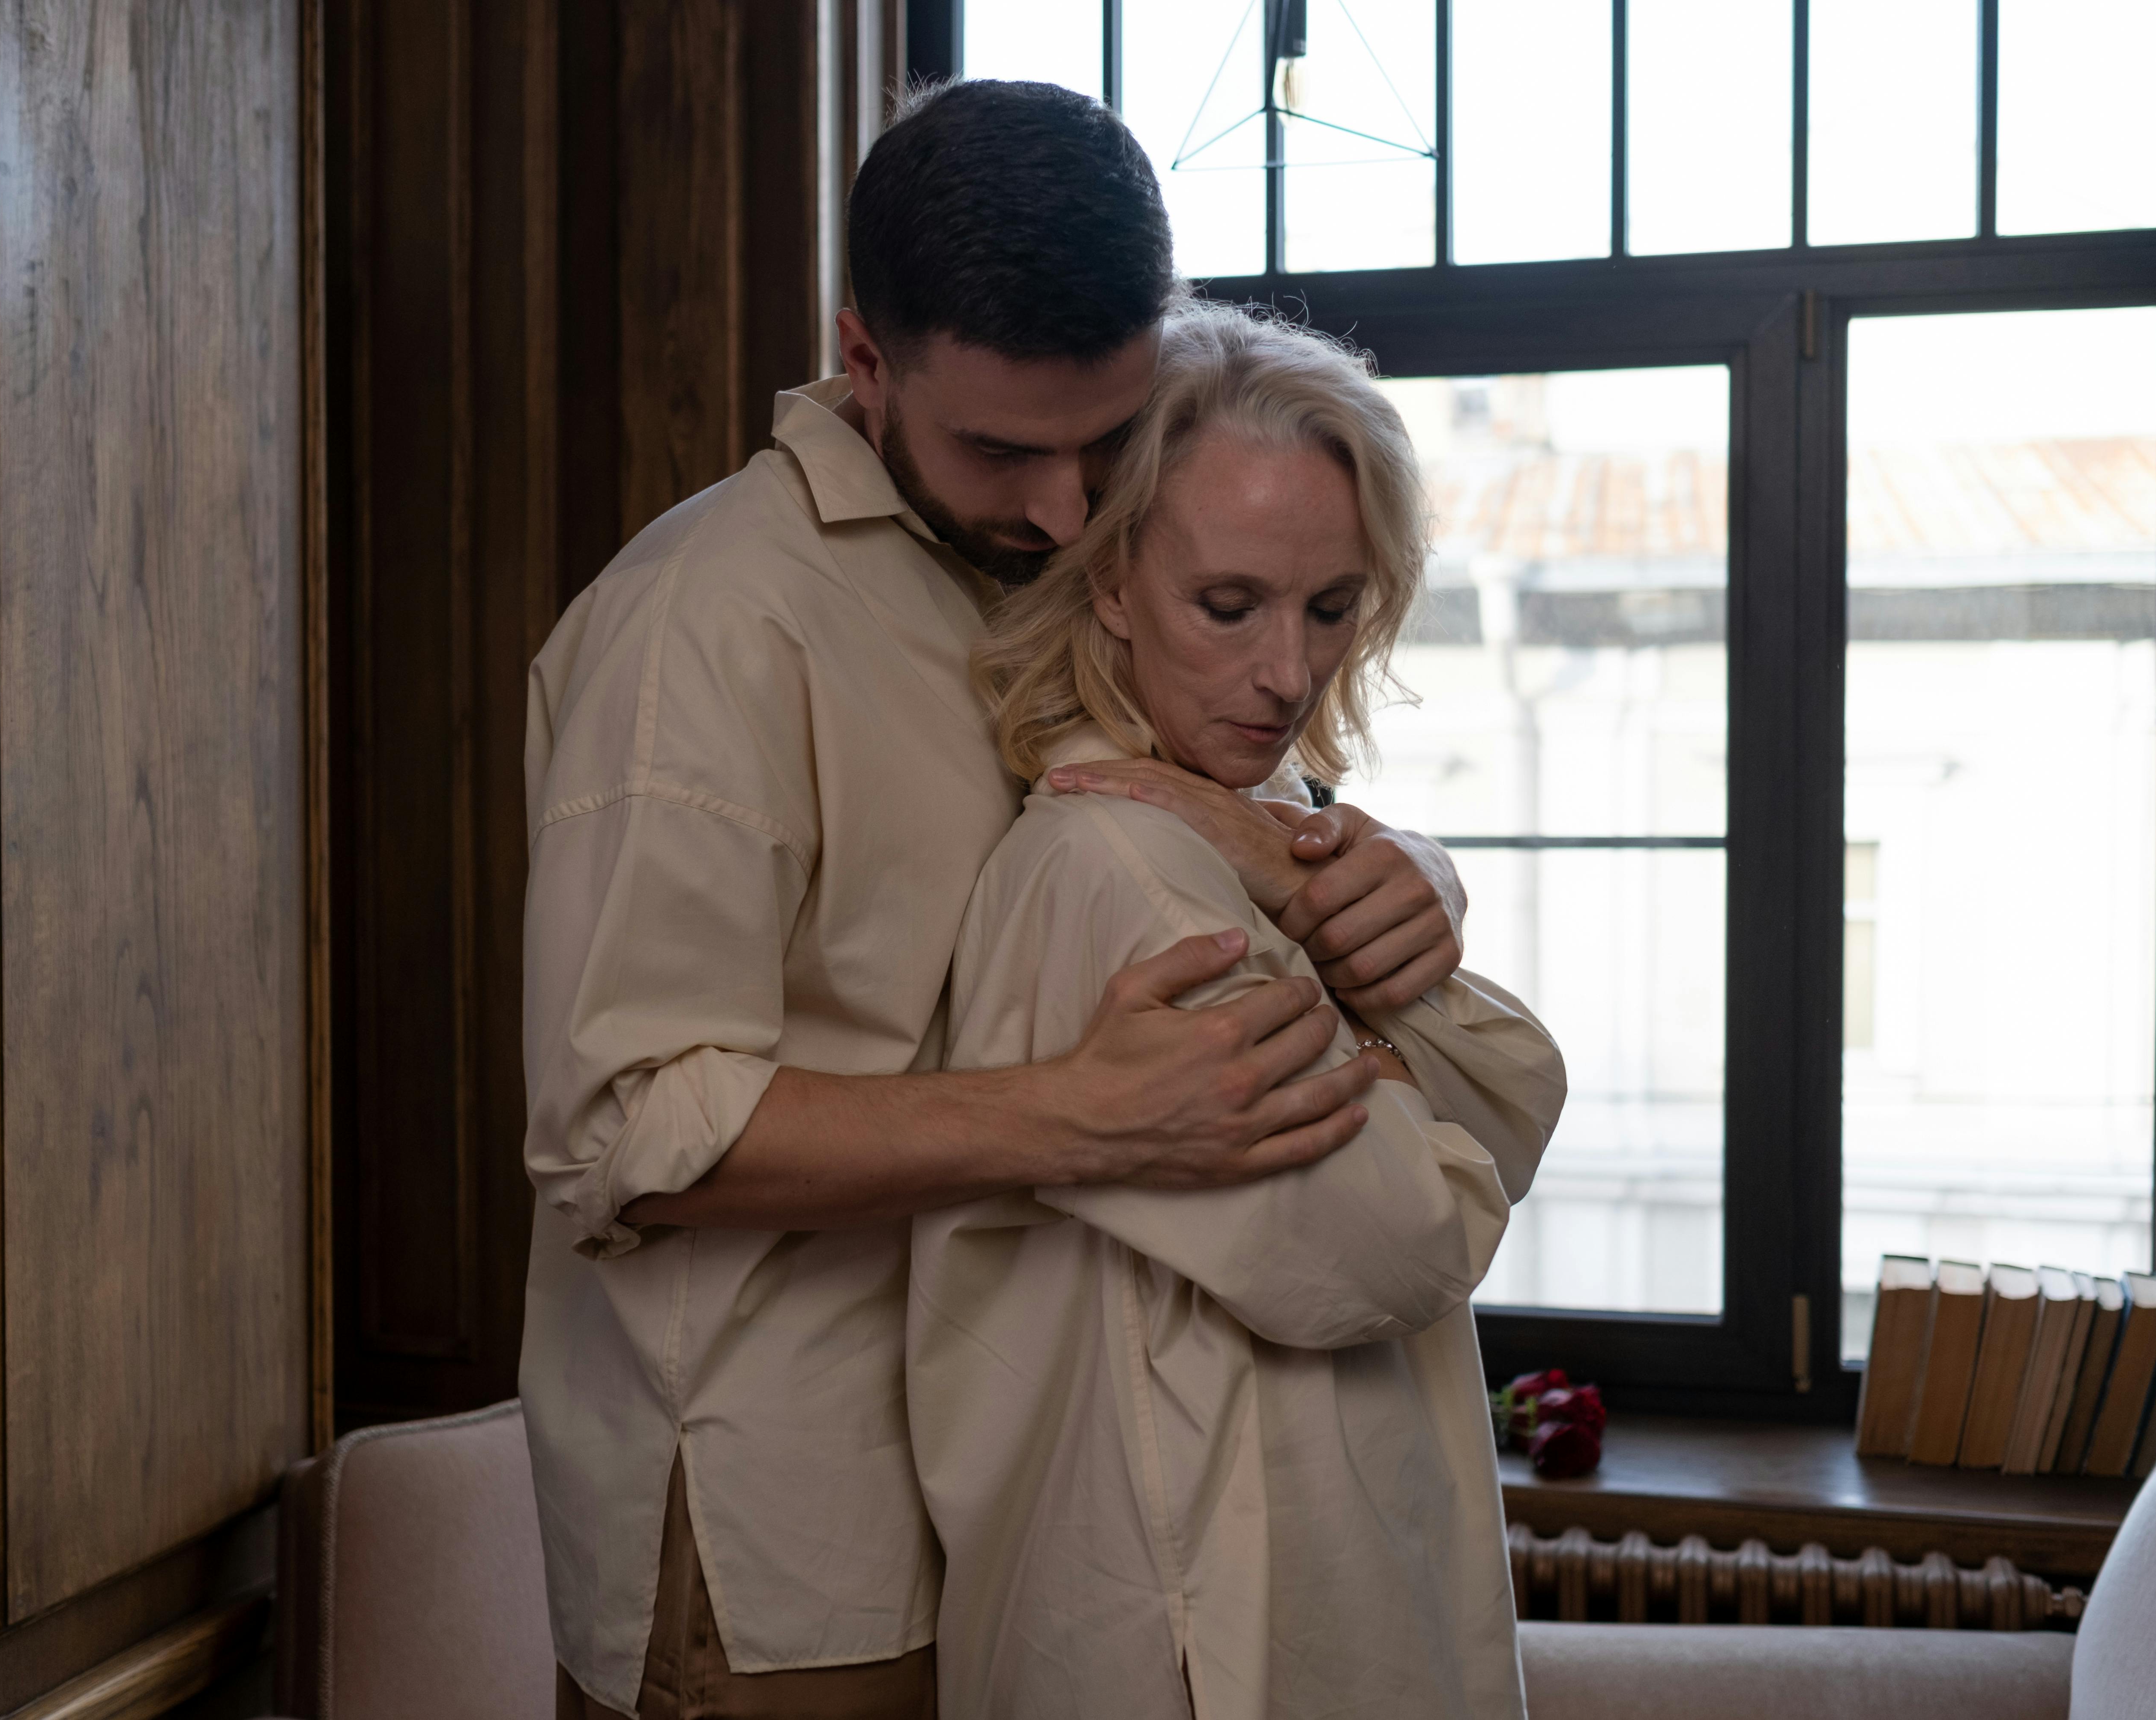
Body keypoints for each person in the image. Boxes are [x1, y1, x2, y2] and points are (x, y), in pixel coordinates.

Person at [524, 82, 1501, 1720]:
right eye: (1000, 448)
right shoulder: (706, 627)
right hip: (795, 1541)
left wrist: (1397, 869)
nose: (1064, 510)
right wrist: (1074, 1120)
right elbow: (620, 1129)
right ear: (866, 360)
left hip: (1026, 1503)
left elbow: (1205, 786)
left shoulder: (1079, 555)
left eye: (1105, 443)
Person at [910, 304, 1566, 1720]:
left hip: (1300, 1590)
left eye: (1331, 608)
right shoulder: (1120, 875)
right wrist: (1400, 1053)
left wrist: (1373, 876)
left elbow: (1524, 1090)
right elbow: (1410, 1231)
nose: (1289, 672)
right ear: (1107, 585)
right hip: (1206, 1630)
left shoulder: (1263, 828)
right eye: (1231, 605)